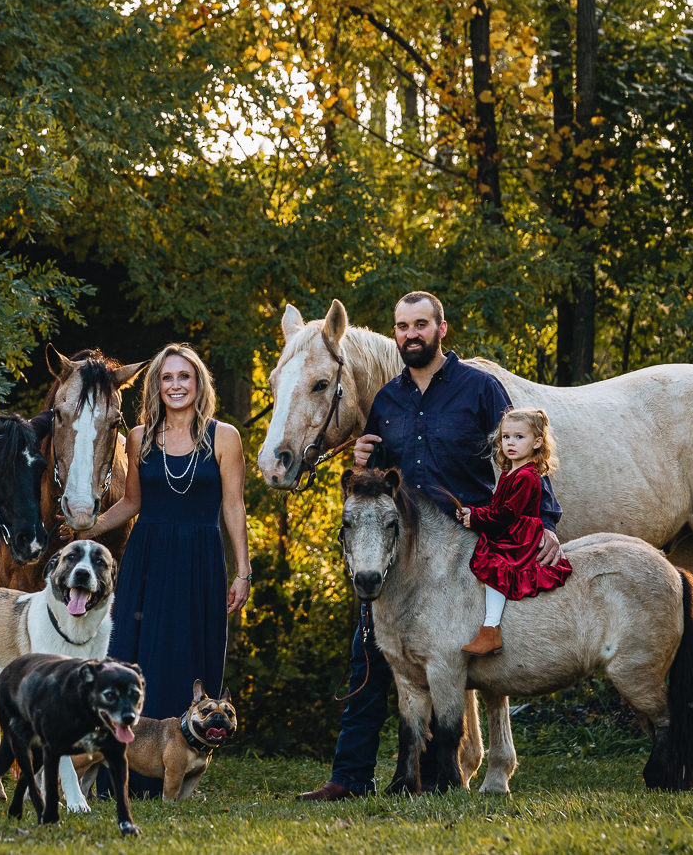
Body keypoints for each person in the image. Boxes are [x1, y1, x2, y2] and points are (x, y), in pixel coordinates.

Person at [297, 291, 564, 801]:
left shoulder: (479, 390)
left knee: (454, 657)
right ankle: (350, 777)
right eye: (402, 326)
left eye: (421, 324)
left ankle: (442, 772)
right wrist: (358, 460)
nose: (410, 334)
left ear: (442, 329)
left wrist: (545, 519)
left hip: (464, 550)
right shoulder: (387, 401)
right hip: (401, 557)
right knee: (372, 657)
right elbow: (371, 482)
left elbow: (521, 456)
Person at [74, 343, 251, 796]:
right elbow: (133, 502)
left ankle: (182, 772)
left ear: (199, 383)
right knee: (132, 657)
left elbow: (233, 506)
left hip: (201, 561)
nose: (175, 385)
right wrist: (89, 528)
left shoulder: (224, 437)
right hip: (147, 558)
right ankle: (118, 770)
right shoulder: (136, 438)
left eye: (184, 377)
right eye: (166, 378)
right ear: (155, 386)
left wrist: (243, 570)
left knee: (189, 655)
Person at [458, 407, 573, 656]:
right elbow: (499, 507)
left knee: (496, 565)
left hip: (518, 535)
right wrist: (472, 512)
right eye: (506, 437)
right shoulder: (511, 472)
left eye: (519, 437)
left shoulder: (526, 477)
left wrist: (476, 518)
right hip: (509, 527)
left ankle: (491, 630)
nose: (511, 443)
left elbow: (507, 514)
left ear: (537, 442)